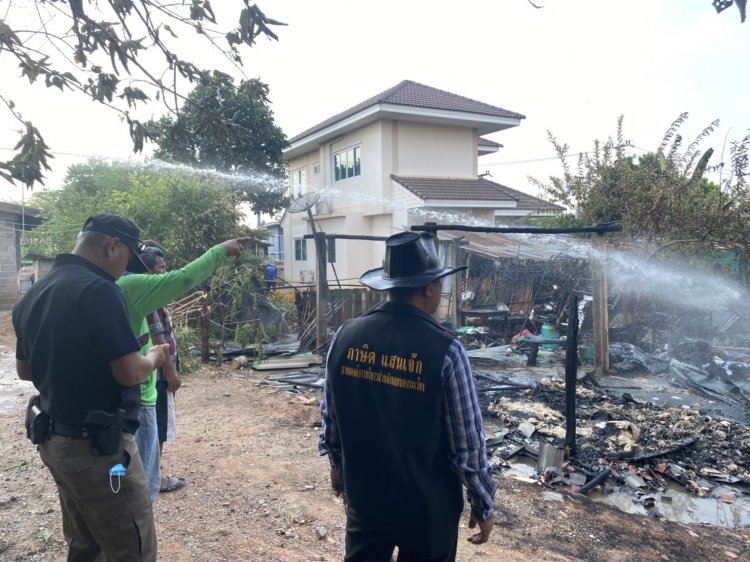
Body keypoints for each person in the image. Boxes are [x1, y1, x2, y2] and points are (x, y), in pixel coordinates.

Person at [319, 231, 496, 562]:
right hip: (428, 514)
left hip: (366, 500)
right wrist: (483, 503)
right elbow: (468, 446)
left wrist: (336, 467)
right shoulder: (447, 351)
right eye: (440, 282)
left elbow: (332, 419)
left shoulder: (345, 337)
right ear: (428, 288)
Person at [12, 214, 169, 562]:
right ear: (112, 246)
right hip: (99, 453)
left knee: (86, 544)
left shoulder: (35, 293)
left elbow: (25, 370)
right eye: (126, 261)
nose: (124, 272)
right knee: (132, 550)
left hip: (56, 443)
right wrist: (154, 357)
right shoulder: (100, 291)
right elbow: (129, 372)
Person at [118, 235, 251, 502]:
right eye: (160, 268)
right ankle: (148, 494)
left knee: (145, 449)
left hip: (138, 388)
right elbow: (184, 279)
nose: (163, 273)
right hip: (145, 386)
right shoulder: (136, 289)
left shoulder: (114, 287)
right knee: (146, 465)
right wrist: (219, 250)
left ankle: (148, 486)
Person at [140, 246, 185, 493]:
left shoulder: (149, 296)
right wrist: (171, 373)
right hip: (158, 376)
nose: (165, 272)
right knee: (158, 428)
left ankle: (151, 476)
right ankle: (155, 479)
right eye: (161, 268)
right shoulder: (151, 301)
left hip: (156, 374)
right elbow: (159, 341)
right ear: (148, 270)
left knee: (156, 427)